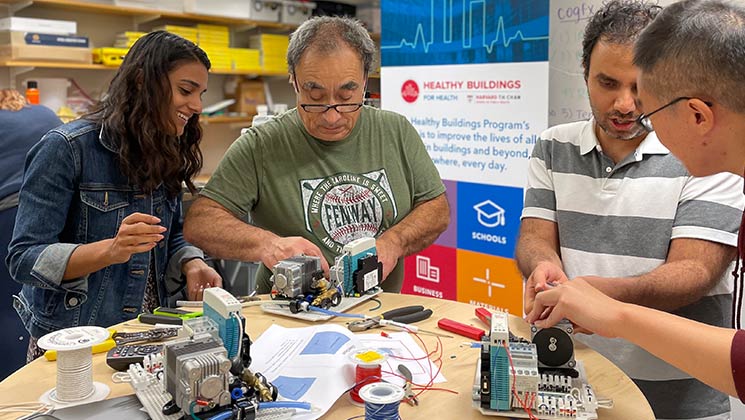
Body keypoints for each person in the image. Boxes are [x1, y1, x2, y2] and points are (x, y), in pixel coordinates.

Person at [515, 1, 744, 419]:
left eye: (641, 89)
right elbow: (534, 237)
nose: (626, 104)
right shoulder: (553, 145)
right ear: (584, 73)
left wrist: (600, 300)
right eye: (608, 83)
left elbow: (695, 274)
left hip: (679, 396)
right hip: (575, 376)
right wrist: (546, 268)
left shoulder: (704, 152)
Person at [184, 16, 449, 294]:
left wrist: (395, 242)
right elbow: (202, 222)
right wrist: (269, 245)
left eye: (347, 98)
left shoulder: (395, 131)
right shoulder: (262, 144)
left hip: (379, 317)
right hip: (285, 320)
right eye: (316, 97)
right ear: (294, 82)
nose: (332, 116)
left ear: (364, 80)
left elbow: (436, 208)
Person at [6, 31, 222, 362]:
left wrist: (192, 261)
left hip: (147, 333)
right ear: (141, 82)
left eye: (200, 94)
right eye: (186, 90)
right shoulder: (66, 148)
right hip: (75, 342)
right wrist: (111, 250)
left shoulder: (165, 148)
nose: (197, 106)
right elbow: (24, 258)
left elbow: (171, 234)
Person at [0, 89, 62, 379]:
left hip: (7, 216)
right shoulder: (45, 114)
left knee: (5, 308)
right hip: (51, 216)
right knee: (28, 304)